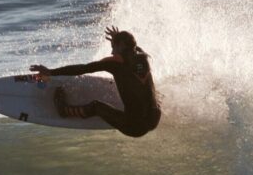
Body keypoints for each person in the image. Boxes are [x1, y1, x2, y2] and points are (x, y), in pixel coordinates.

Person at [30, 26, 161, 137]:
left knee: (96, 107)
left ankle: (64, 111)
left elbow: (83, 68)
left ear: (121, 46)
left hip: (134, 127)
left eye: (113, 47)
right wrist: (119, 38)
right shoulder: (143, 58)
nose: (112, 51)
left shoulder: (115, 63)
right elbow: (133, 47)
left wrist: (51, 72)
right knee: (146, 88)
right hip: (154, 119)